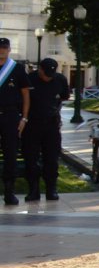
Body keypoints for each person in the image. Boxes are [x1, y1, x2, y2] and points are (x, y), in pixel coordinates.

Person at [20, 57, 71, 202]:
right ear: (40, 69)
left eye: (51, 74)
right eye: (46, 73)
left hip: (51, 124)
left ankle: (51, 189)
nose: (48, 77)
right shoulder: (29, 79)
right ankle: (33, 190)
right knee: (31, 158)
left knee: (52, 159)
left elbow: (64, 97)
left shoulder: (60, 79)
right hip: (32, 124)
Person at [0, 37, 25, 206]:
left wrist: (24, 117)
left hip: (10, 116)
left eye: (4, 48)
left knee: (10, 153)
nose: (1, 50)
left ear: (9, 49)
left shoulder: (16, 69)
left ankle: (9, 192)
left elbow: (25, 94)